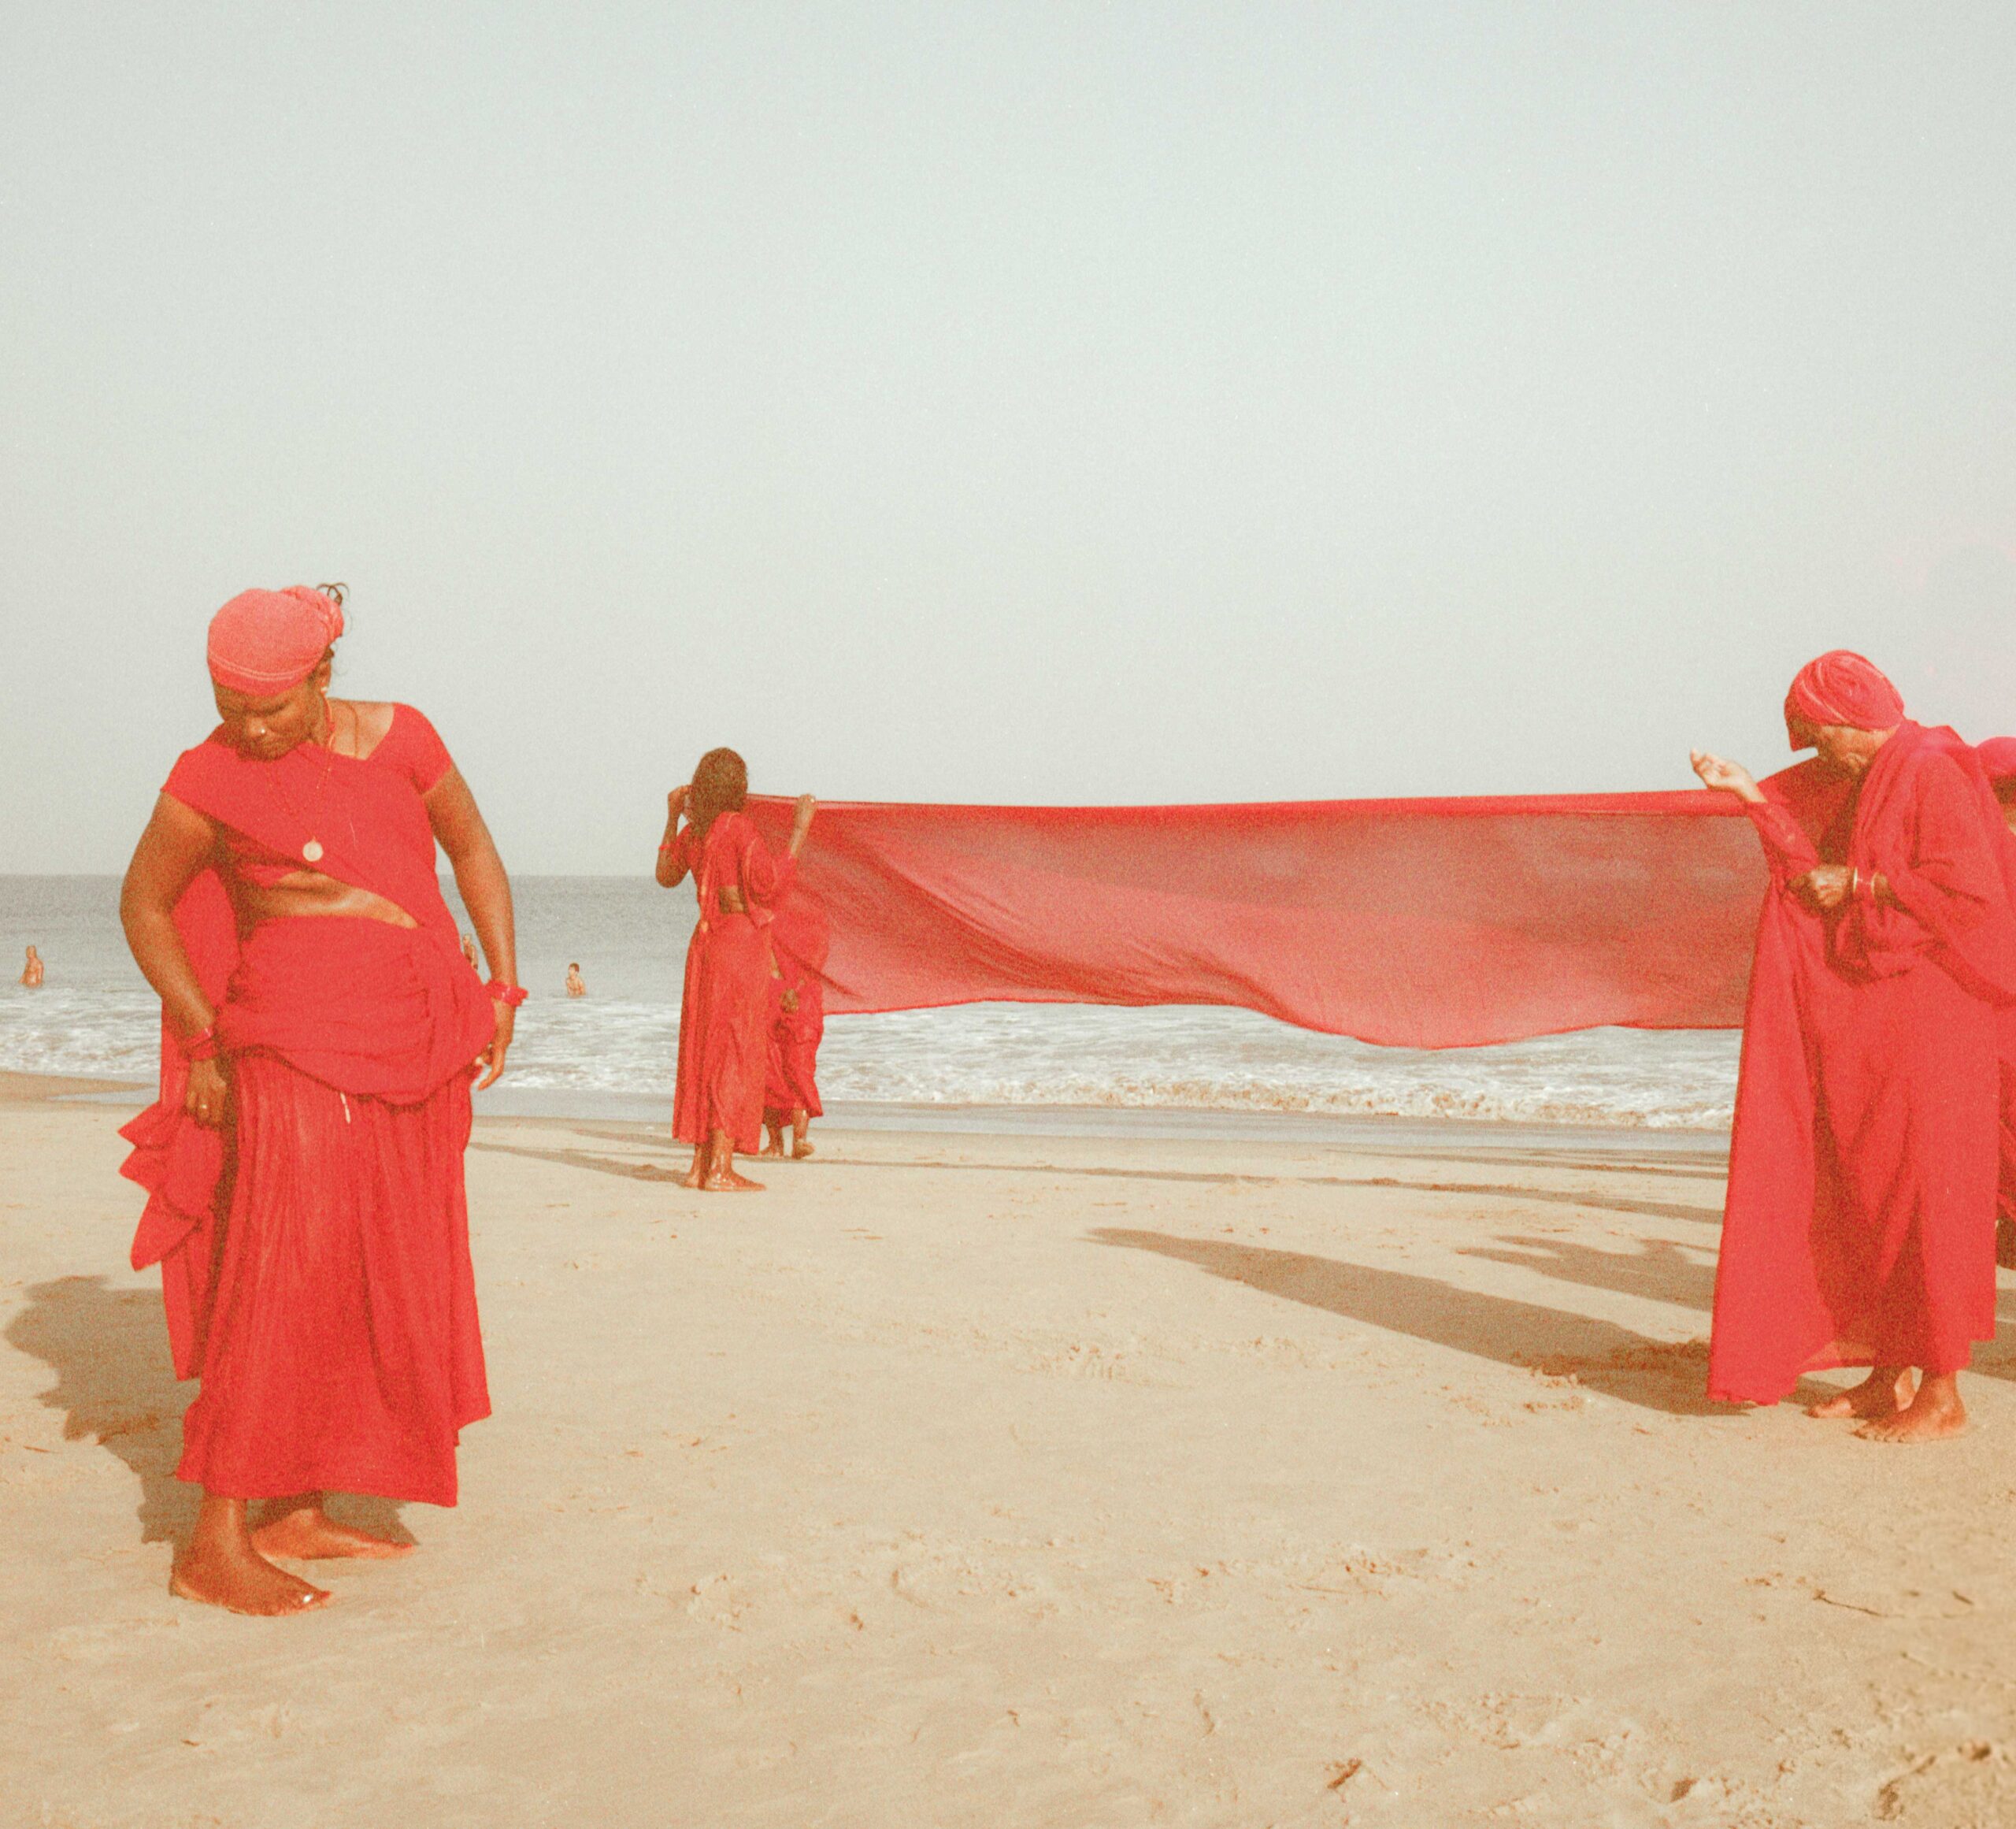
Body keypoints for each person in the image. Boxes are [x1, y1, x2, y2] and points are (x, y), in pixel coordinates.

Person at [119, 584, 522, 1615]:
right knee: (283, 1273)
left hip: (414, 1038)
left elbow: (473, 847)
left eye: (274, 708)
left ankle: (295, 1507)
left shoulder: (405, 738)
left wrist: (504, 984)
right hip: (289, 1042)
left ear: (324, 676)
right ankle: (213, 1539)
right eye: (232, 704)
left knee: (359, 1266)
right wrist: (201, 1033)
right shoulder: (205, 777)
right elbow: (145, 904)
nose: (252, 729)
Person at [1692, 651, 2016, 1441]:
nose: (1813, 755)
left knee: (1926, 1201)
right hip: (1890, 1021)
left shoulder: (1931, 768)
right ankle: (1885, 1373)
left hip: (1937, 1025)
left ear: (1849, 723)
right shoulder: (1886, 769)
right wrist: (1750, 799)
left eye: (1815, 738)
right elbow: (1817, 876)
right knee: (1875, 1190)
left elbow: (1970, 894)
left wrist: (1865, 887)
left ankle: (1940, 1395)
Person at [655, 750, 813, 1190]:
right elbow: (770, 886)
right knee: (733, 1048)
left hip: (704, 946)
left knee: (705, 1048)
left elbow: (665, 875)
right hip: (738, 944)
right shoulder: (740, 829)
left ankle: (699, 1165)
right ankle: (720, 1169)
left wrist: (670, 818)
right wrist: (799, 833)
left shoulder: (697, 832)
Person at [762, 894, 828, 1160]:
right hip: (770, 994)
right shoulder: (769, 906)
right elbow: (763, 949)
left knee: (798, 1068)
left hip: (804, 1001)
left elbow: (817, 959)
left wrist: (796, 990)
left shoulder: (815, 914)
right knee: (768, 1070)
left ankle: (800, 1139)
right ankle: (776, 1143)